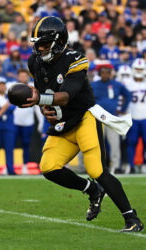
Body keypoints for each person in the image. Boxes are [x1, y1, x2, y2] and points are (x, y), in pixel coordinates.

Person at [22, 16, 143, 232]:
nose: (39, 48)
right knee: (48, 167)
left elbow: (66, 95)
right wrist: (43, 108)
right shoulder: (35, 62)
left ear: (59, 42)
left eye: (44, 43)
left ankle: (131, 218)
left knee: (96, 169)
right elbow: (44, 93)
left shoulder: (75, 59)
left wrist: (40, 100)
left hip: (84, 117)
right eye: (37, 43)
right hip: (63, 124)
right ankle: (91, 190)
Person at [91, 67, 132, 174]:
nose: (105, 75)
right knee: (95, 144)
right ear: (99, 74)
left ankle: (116, 165)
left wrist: (122, 109)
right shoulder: (94, 84)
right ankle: (95, 166)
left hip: (112, 118)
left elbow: (128, 95)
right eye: (103, 73)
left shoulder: (117, 84)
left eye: (107, 73)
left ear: (110, 74)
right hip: (97, 118)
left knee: (114, 144)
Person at [13, 69, 43, 175]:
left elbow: (37, 107)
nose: (22, 78)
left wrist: (40, 122)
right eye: (21, 76)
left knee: (26, 145)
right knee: (11, 144)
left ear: (27, 77)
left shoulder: (32, 89)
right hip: (15, 121)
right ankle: (10, 166)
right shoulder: (13, 87)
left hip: (28, 122)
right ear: (18, 77)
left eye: (24, 76)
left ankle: (25, 165)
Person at [125, 58, 146, 174]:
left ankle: (143, 164)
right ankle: (131, 165)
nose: (138, 71)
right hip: (132, 116)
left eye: (141, 69)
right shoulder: (127, 82)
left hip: (145, 116)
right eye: (137, 69)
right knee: (131, 142)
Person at [0, 76, 16, 175]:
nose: (2, 87)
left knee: (9, 149)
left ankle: (10, 169)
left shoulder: (10, 97)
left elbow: (12, 108)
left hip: (9, 126)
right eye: (0, 85)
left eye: (3, 85)